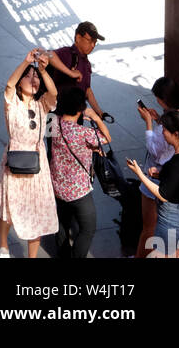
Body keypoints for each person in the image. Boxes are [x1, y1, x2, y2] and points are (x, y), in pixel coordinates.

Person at [0, 48, 58, 258]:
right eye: (29, 77)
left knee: (38, 211)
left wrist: (42, 71)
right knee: (8, 207)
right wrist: (26, 63)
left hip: (37, 164)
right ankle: (3, 245)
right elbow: (9, 85)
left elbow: (54, 93)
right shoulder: (12, 103)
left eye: (36, 78)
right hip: (14, 159)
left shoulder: (42, 105)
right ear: (21, 82)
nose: (34, 80)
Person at [49, 86, 111, 258]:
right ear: (80, 109)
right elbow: (107, 138)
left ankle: (62, 255)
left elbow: (48, 142)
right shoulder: (84, 133)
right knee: (87, 229)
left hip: (57, 186)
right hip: (79, 191)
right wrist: (96, 118)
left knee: (62, 223)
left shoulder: (52, 122)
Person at [135, 76, 179, 257]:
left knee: (149, 228)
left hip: (157, 180)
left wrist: (148, 123)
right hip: (167, 181)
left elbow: (156, 149)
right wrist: (158, 122)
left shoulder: (172, 122)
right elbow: (168, 140)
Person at [46, 22, 107, 121]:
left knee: (74, 135)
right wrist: (70, 73)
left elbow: (87, 90)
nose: (93, 45)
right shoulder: (67, 53)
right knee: (53, 136)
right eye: (90, 40)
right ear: (78, 38)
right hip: (55, 114)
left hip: (76, 116)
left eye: (95, 42)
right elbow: (48, 54)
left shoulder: (87, 64)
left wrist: (99, 111)